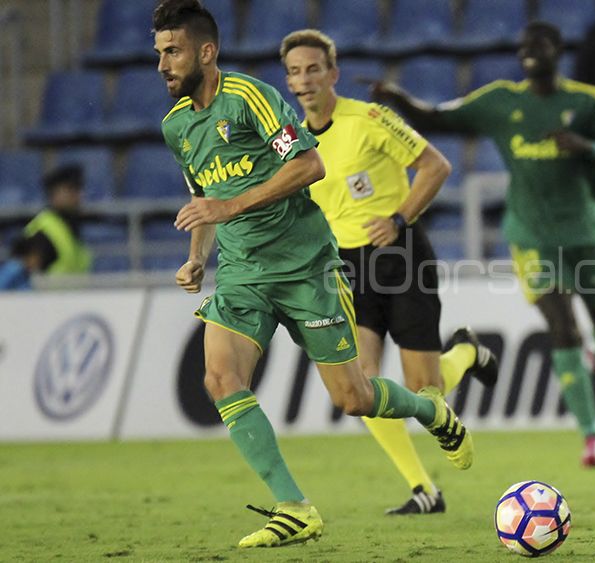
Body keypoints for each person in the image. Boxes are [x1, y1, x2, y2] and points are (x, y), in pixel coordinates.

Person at [153, 0, 472, 548]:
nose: (163, 65)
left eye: (173, 51)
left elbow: (308, 165)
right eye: (159, 53)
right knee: (220, 378)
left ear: (206, 52)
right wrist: (198, 256)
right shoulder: (177, 125)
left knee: (353, 397)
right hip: (242, 274)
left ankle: (431, 411)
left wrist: (229, 210)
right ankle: (294, 507)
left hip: (307, 268)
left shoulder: (252, 98)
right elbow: (204, 195)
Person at [371, 21, 595, 467]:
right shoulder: (499, 101)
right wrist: (398, 97)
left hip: (584, 233)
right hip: (531, 236)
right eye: (526, 46)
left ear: (558, 50)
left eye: (543, 44)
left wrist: (585, 147)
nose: (533, 52)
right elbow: (436, 117)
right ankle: (592, 439)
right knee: (563, 329)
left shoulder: (589, 102)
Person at [279, 29, 498, 515]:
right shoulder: (292, 140)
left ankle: (466, 352)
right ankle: (424, 489)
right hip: (346, 266)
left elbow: (436, 166)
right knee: (360, 385)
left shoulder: (370, 118)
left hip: (398, 254)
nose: (304, 79)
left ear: (332, 73)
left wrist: (399, 218)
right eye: (295, 71)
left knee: (425, 390)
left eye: (313, 68)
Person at [21, 164, 92, 275]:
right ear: (54, 194)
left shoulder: (71, 226)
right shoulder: (42, 230)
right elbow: (28, 276)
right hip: (49, 292)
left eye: (79, 189)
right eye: (70, 189)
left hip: (76, 291)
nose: (78, 195)